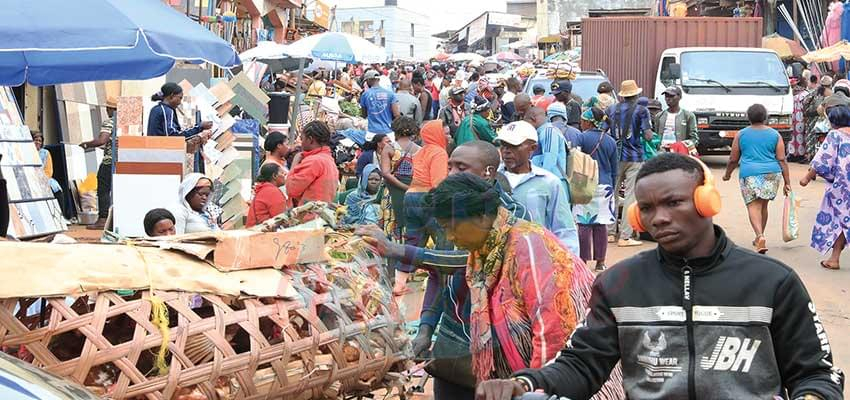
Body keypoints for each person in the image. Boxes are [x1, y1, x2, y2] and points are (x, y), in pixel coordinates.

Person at [476, 153, 845, 400]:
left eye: (674, 202)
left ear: (706, 202)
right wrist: (524, 382)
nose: (659, 218)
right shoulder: (619, 284)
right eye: (647, 209)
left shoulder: (772, 282)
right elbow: (583, 364)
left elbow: (816, 374)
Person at [427, 173, 598, 388]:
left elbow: (554, 332)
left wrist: (535, 388)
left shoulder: (528, 245)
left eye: (453, 227)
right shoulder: (483, 253)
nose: (450, 237)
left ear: (481, 216)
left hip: (562, 380)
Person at [497, 121, 580, 254]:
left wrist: (570, 263)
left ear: (532, 148)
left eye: (514, 146)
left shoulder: (549, 182)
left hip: (536, 259)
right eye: (503, 145)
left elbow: (564, 229)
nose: (506, 151)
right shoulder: (493, 179)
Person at [722, 103, 791, 254]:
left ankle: (760, 236)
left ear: (748, 118)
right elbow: (782, 159)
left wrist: (727, 174)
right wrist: (787, 182)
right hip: (772, 174)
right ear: (766, 117)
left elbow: (733, 159)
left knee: (753, 206)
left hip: (749, 173)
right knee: (763, 205)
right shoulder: (775, 134)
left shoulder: (741, 134)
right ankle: (760, 236)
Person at [394, 120, 450, 295]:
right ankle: (443, 284)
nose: (447, 136)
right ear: (436, 134)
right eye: (444, 132)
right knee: (443, 240)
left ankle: (399, 284)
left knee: (413, 241)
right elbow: (438, 183)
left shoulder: (419, 153)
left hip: (410, 197)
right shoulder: (439, 153)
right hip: (428, 198)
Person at [800, 104, 850, 270]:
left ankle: (834, 259)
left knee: (840, 220)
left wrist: (807, 177)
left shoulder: (835, 135)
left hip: (842, 187)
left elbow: (822, 161)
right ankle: (834, 257)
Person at [608, 79, 654, 247]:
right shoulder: (642, 111)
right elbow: (648, 135)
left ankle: (611, 233)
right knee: (629, 195)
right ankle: (625, 236)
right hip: (634, 157)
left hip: (614, 157)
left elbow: (604, 128)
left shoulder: (611, 109)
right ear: (636, 95)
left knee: (612, 194)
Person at [573, 107, 618, 271]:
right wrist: (612, 187)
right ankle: (601, 262)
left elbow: (575, 161)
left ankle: (583, 261)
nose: (581, 123)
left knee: (584, 224)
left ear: (588, 122)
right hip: (605, 185)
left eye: (582, 120)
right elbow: (614, 169)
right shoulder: (610, 140)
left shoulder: (581, 138)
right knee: (601, 224)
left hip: (584, 185)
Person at [379, 117, 420, 238]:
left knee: (391, 221)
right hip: (413, 192)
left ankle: (392, 250)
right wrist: (410, 188)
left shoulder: (390, 147)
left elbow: (386, 173)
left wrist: (403, 186)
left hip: (392, 191)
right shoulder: (420, 149)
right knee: (409, 223)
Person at [79, 103, 116, 229]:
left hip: (109, 161)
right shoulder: (128, 122)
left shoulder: (110, 122)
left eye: (107, 109)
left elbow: (102, 140)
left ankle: (103, 219)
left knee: (103, 190)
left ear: (111, 109)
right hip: (124, 160)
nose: (107, 111)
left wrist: (87, 144)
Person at [286, 121, 340, 206]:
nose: (301, 142)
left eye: (302, 138)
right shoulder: (329, 160)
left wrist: (295, 162)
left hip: (310, 216)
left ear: (310, 140)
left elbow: (291, 189)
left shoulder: (314, 161)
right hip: (321, 213)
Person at [524, 107, 569, 194]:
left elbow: (550, 159)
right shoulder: (546, 131)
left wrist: (541, 183)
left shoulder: (548, 131)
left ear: (533, 119)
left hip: (553, 184)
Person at [147, 82, 213, 137]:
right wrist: (199, 127)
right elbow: (172, 136)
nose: (180, 102)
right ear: (172, 96)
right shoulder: (167, 111)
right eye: (180, 98)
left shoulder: (155, 109)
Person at [653, 86, 698, 151]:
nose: (668, 98)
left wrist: (680, 146)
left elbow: (694, 139)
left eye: (672, 96)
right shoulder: (659, 116)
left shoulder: (688, 116)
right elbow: (656, 136)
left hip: (679, 154)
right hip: (662, 152)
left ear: (680, 97)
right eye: (666, 96)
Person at [360, 70, 400, 140]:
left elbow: (364, 115)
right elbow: (396, 114)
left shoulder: (365, 94)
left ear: (369, 80)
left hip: (372, 132)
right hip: (388, 132)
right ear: (378, 79)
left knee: (370, 150)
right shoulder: (390, 94)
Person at [31, 131, 64, 214]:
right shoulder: (26, 152)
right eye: (35, 140)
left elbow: (49, 171)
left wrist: (42, 179)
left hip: (44, 177)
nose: (38, 142)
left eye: (40, 141)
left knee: (56, 188)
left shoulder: (45, 153)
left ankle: (60, 215)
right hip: (30, 178)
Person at [803, 76, 833, 163]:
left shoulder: (814, 92)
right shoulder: (832, 93)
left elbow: (805, 101)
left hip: (812, 118)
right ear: (830, 85)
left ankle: (811, 157)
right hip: (824, 119)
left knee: (811, 138)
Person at [246, 163, 287, 227]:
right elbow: (281, 219)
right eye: (282, 173)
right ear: (274, 176)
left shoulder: (264, 189)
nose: (285, 174)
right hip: (263, 234)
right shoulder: (272, 192)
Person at [789, 75, 812, 162]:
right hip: (801, 117)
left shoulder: (790, 93)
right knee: (801, 136)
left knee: (792, 136)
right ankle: (801, 155)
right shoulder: (805, 94)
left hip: (791, 117)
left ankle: (792, 154)